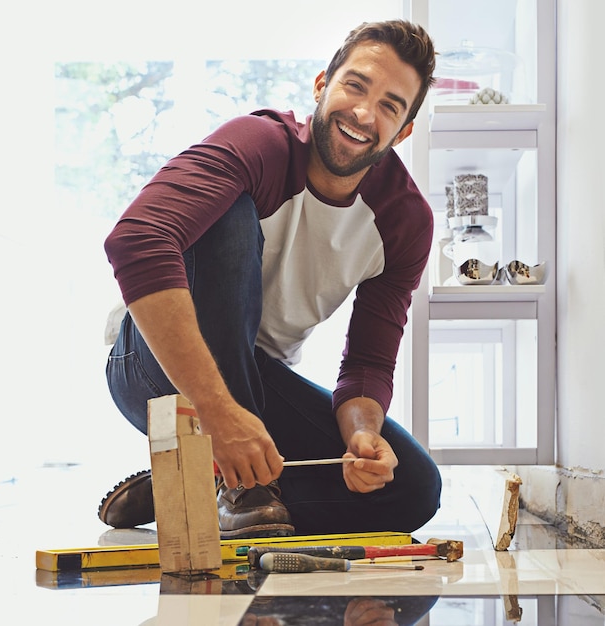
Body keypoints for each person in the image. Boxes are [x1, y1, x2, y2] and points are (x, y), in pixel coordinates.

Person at [100, 19, 442, 539]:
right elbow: (138, 239)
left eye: (391, 106)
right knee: (227, 213)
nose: (365, 113)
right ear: (322, 85)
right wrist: (219, 418)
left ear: (404, 131)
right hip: (151, 366)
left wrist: (362, 436)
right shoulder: (257, 144)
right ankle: (231, 480)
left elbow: (369, 362)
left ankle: (198, 481)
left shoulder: (403, 220)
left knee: (411, 488)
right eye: (355, 85)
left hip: (258, 384)